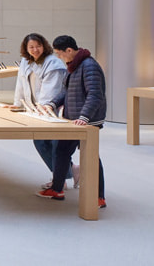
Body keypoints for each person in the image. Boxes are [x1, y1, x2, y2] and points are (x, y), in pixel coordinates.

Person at [38, 35, 107, 209]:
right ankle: (57, 189)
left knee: (90, 157)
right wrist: (52, 103)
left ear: (69, 50)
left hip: (87, 121)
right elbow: (67, 92)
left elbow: (95, 95)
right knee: (61, 152)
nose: (59, 58)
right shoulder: (74, 66)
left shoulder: (89, 66)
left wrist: (84, 117)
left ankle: (98, 197)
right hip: (72, 120)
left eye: (60, 54)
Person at [11, 32, 70, 187]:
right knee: (41, 141)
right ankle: (67, 173)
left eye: (38, 46)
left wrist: (42, 108)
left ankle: (60, 179)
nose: (35, 49)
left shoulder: (53, 63)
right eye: (31, 47)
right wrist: (18, 103)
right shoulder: (25, 61)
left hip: (51, 110)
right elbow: (21, 83)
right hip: (36, 110)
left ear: (44, 46)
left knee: (52, 143)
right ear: (26, 48)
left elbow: (52, 89)